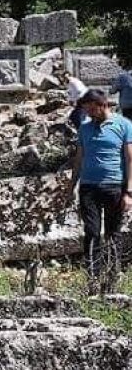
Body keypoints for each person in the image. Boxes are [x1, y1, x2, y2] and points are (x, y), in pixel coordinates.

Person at [66, 89, 132, 293]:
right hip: (88, 187)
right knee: (92, 232)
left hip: (114, 186)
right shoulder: (85, 128)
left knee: (113, 233)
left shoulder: (124, 125)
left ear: (102, 105)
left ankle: (112, 279)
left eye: (91, 110)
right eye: (86, 110)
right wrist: (72, 186)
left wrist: (129, 192)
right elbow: (79, 158)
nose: (88, 114)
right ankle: (92, 279)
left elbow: (130, 158)